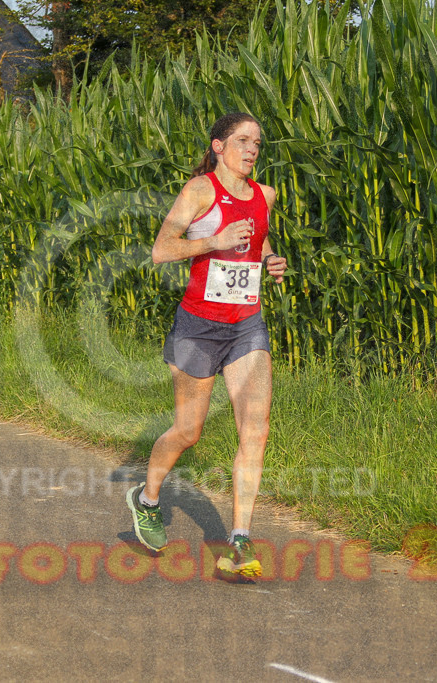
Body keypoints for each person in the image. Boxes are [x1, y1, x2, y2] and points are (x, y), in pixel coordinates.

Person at [126, 112, 287, 578]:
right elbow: (161, 249)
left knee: (255, 429)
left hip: (246, 326)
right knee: (187, 432)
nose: (252, 149)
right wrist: (214, 239)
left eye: (257, 141)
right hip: (197, 327)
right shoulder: (200, 192)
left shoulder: (265, 196)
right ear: (218, 146)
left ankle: (239, 540)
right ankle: (148, 498)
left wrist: (271, 259)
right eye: (242, 140)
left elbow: (258, 244)